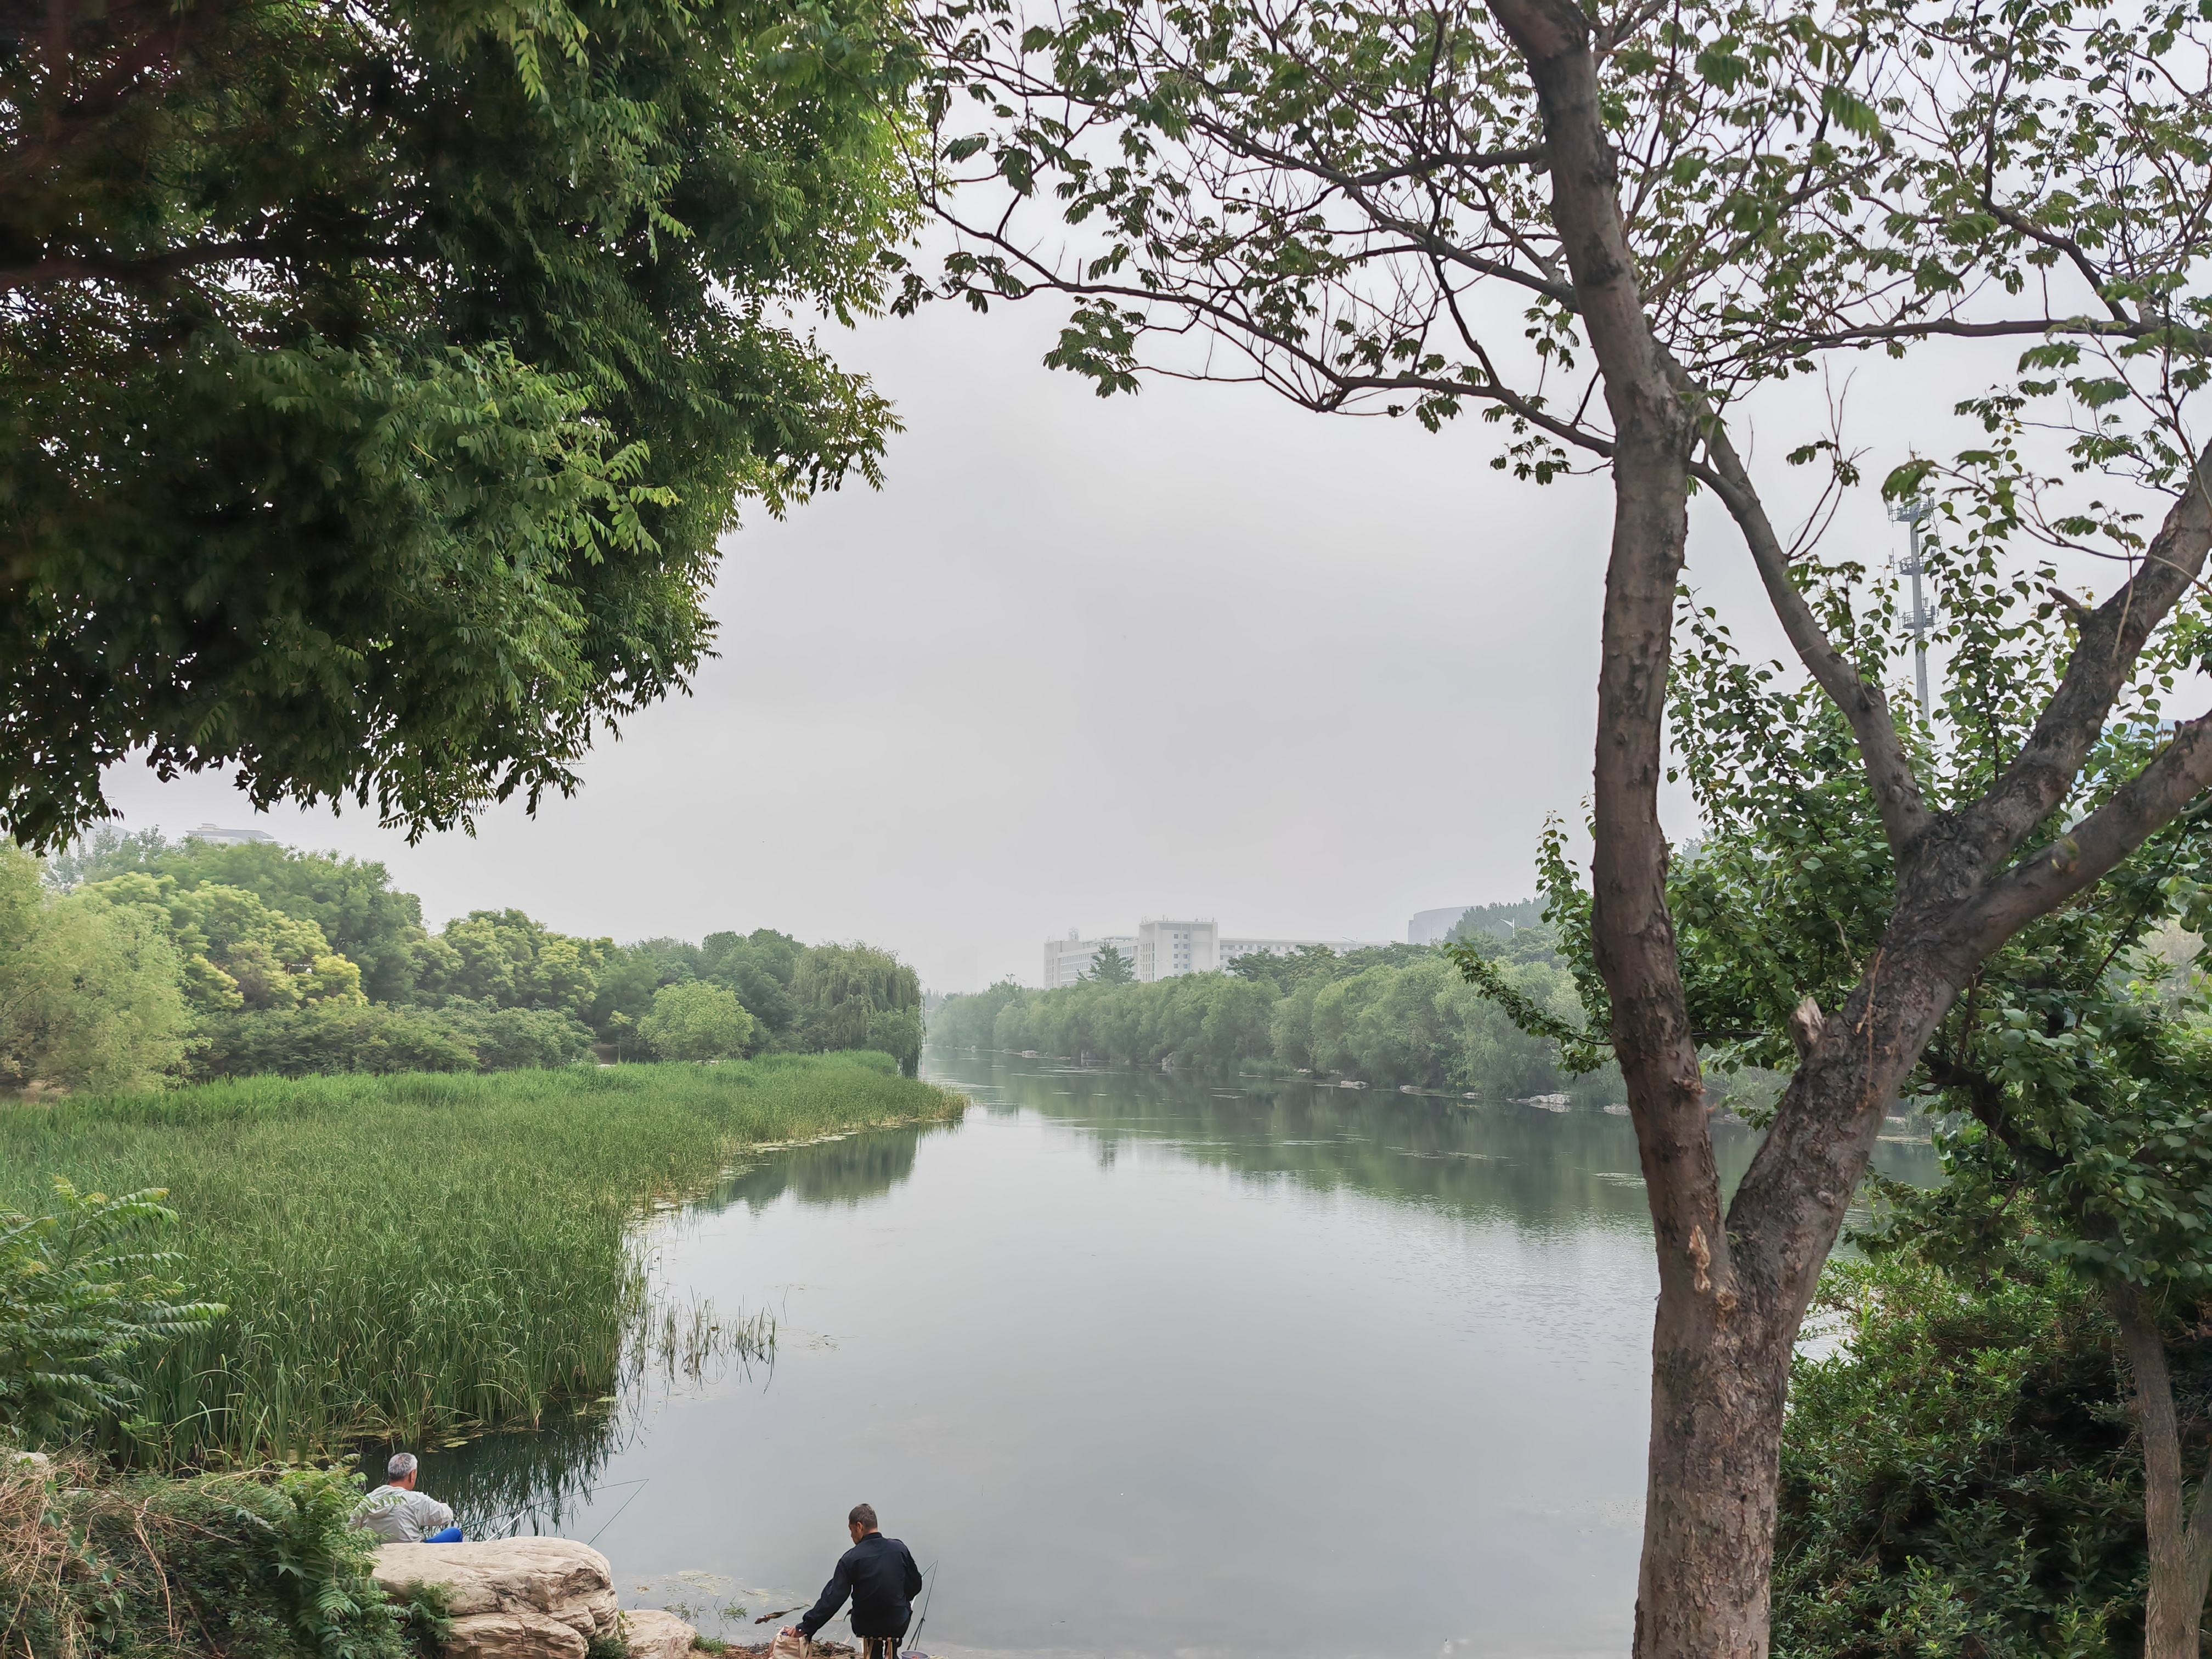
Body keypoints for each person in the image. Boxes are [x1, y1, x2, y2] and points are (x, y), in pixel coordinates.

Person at [783, 1504, 922, 1659]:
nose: (851, 1536)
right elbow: (916, 1586)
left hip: (866, 1625)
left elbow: (832, 1600)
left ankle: (875, 1653)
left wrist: (805, 1627)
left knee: (872, 1617)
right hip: (897, 1623)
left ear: (859, 1527)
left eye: (851, 1531)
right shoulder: (900, 1549)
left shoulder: (850, 1559)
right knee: (898, 1610)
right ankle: (892, 1652)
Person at [352, 1452, 465, 1544]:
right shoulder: (416, 1499)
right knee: (455, 1533)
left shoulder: (368, 1499)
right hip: (414, 1553)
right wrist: (440, 1504)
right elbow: (447, 1516)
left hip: (378, 1553)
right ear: (412, 1475)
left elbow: (350, 1527)